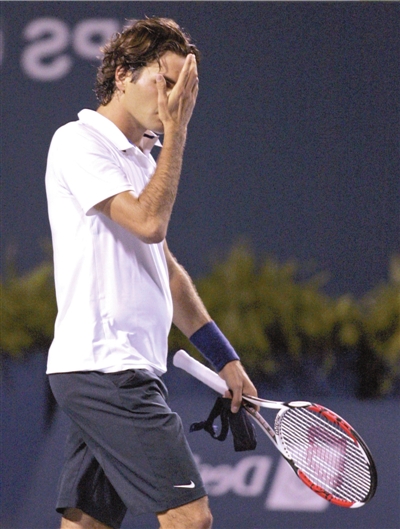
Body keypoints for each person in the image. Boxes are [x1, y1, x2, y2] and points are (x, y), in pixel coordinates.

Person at [45, 17, 257, 529]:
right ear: (123, 74)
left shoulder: (143, 161)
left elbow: (166, 272)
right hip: (107, 368)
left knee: (87, 523)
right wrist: (178, 131)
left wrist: (224, 358)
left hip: (121, 367)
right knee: (190, 518)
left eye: (182, 88)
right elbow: (148, 223)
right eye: (165, 82)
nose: (173, 100)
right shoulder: (78, 142)